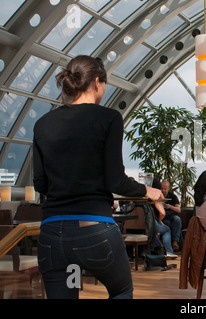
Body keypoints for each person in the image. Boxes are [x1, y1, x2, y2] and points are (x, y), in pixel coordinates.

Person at [33, 55, 164, 299]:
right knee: (121, 291)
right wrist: (148, 191)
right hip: (94, 232)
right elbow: (116, 180)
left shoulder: (42, 124)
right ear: (96, 82)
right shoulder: (109, 118)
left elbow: (40, 183)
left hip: (52, 235)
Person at [151, 179, 178, 258]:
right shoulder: (156, 197)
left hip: (138, 225)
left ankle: (145, 251)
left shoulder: (146, 194)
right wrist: (159, 219)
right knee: (166, 230)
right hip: (152, 223)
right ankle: (169, 252)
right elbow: (163, 213)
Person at [161, 180, 182, 251]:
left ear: (169, 188)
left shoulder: (173, 197)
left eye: (165, 188)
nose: (163, 190)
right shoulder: (158, 197)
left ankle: (175, 242)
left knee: (177, 219)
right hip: (161, 217)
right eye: (162, 188)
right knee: (167, 224)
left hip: (171, 216)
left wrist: (170, 207)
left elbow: (178, 210)